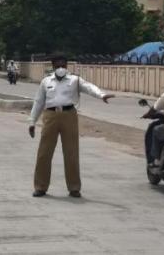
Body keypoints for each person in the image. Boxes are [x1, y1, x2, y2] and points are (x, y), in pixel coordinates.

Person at [28, 55, 115, 198]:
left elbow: (89, 87)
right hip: (50, 116)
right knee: (44, 153)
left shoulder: (75, 80)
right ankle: (40, 187)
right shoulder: (46, 81)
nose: (60, 68)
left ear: (67, 66)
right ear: (53, 65)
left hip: (69, 115)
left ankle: (74, 188)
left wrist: (101, 95)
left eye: (63, 65)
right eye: (58, 65)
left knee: (71, 153)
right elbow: (38, 102)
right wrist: (32, 122)